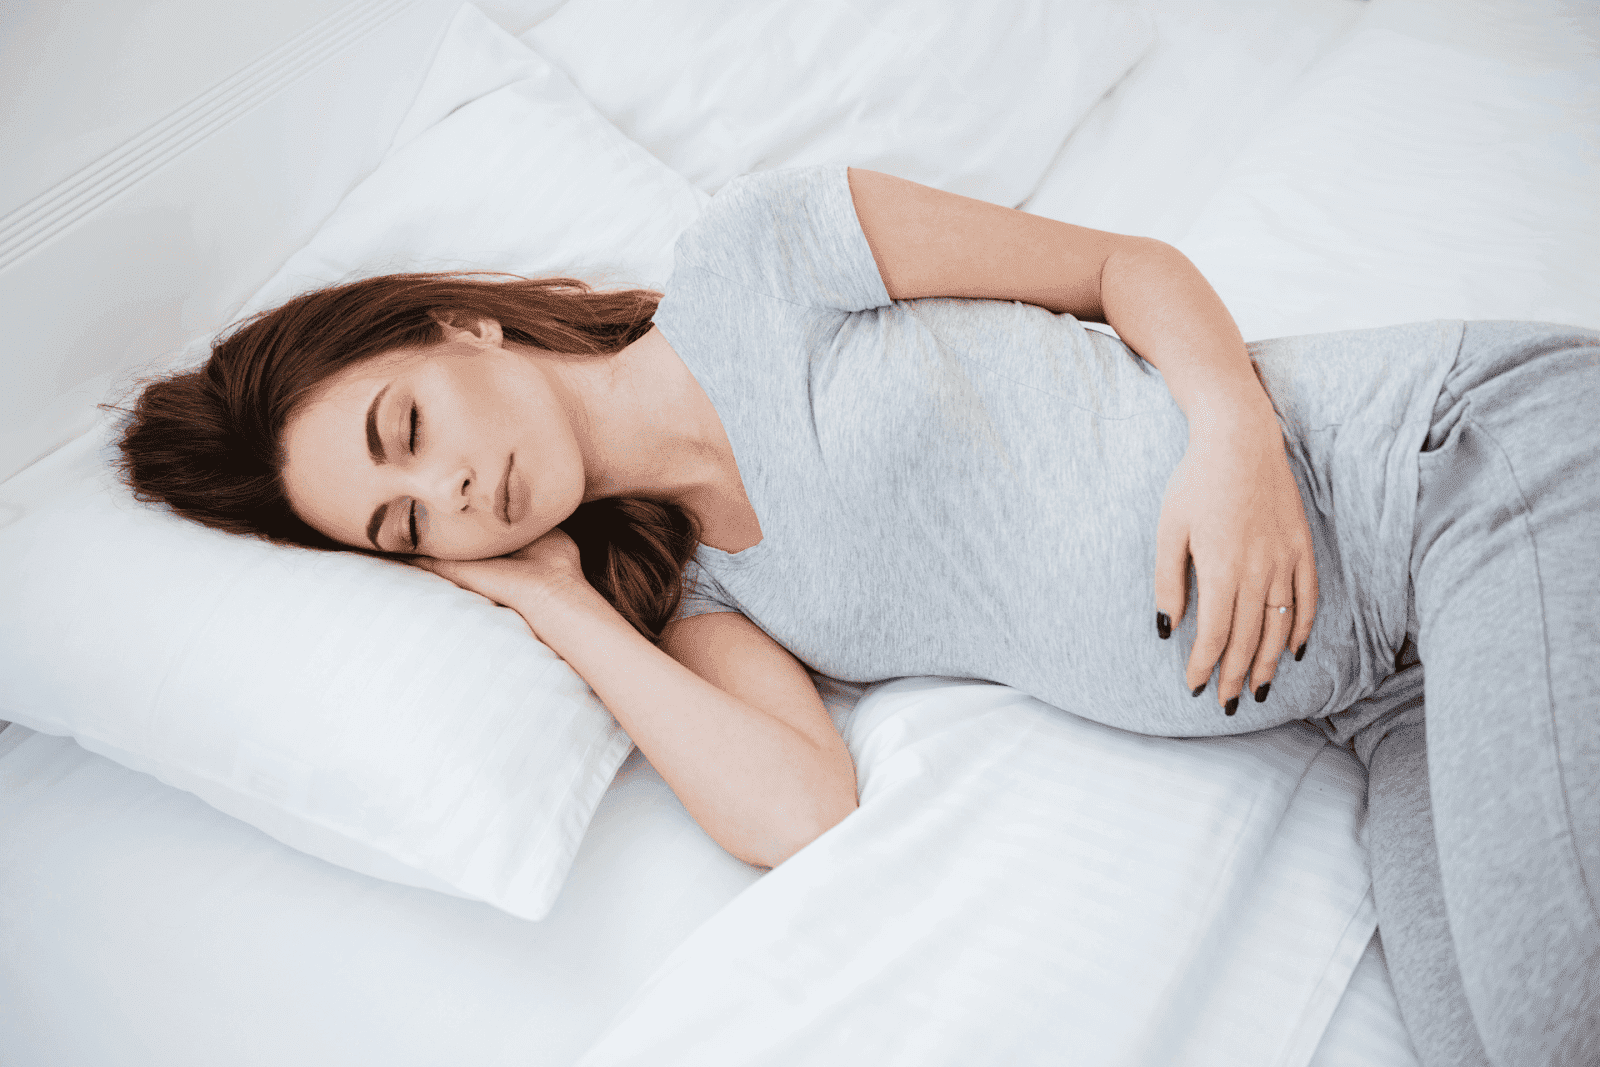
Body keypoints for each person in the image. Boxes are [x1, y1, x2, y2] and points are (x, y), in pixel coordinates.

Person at [116, 165, 1596, 1067]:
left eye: (407, 429)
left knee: (1549, 1014)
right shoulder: (702, 592)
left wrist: (1233, 435)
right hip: (1376, 690)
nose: (453, 488)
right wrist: (558, 606)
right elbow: (808, 807)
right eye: (409, 526)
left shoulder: (756, 257)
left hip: (1454, 467)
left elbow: (1118, 268)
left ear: (456, 324)